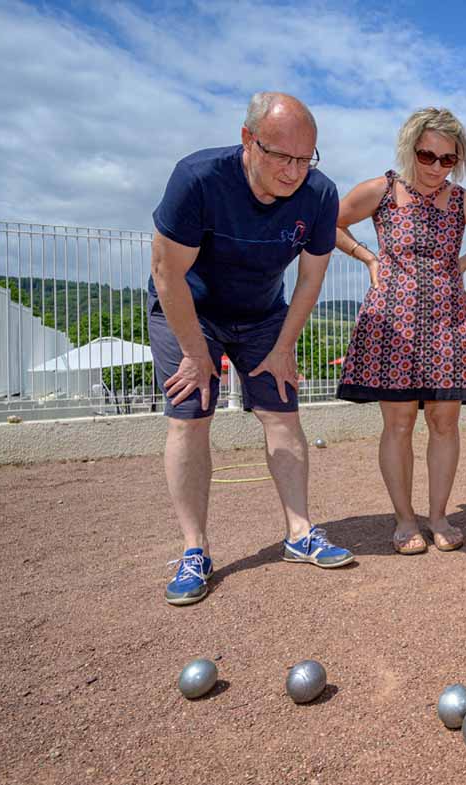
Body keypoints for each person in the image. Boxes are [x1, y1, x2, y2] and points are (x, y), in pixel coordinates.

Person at [151, 92, 353, 606]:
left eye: (305, 158)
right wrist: (198, 356)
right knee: (189, 414)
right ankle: (195, 550)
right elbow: (166, 272)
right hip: (188, 308)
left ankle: (300, 533)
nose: (293, 171)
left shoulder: (320, 194)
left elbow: (310, 281)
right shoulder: (198, 178)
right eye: (281, 157)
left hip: (263, 314)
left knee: (282, 412)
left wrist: (285, 346)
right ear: (248, 140)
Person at [335, 108, 466, 554]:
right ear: (410, 149)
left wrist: (460, 265)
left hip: (448, 318)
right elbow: (332, 223)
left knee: (445, 423)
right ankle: (405, 519)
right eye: (427, 154)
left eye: (447, 159)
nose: (435, 166)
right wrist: (368, 258)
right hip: (394, 318)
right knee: (400, 423)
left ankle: (439, 515)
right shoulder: (382, 190)